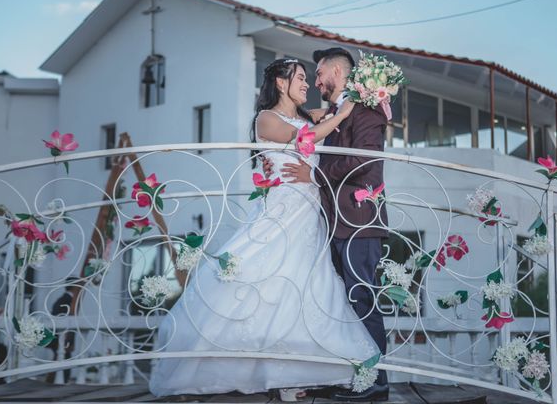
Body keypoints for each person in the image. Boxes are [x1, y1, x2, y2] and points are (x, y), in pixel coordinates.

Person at [148, 58, 379, 400]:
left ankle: (293, 375)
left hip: (309, 213)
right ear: (281, 83)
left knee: (304, 284)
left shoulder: (304, 115)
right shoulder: (266, 118)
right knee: (266, 276)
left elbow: (321, 119)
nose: (306, 85)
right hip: (282, 208)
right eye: (301, 78)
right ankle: (246, 367)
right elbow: (307, 139)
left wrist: (355, 99)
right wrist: (343, 115)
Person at [277, 47, 390, 402]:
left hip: (357, 221)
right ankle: (347, 375)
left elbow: (364, 162)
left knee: (362, 299)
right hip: (333, 222)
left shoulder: (367, 111)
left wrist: (316, 174)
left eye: (319, 73)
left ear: (338, 73)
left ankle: (376, 383)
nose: (315, 81)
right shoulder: (336, 111)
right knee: (338, 304)